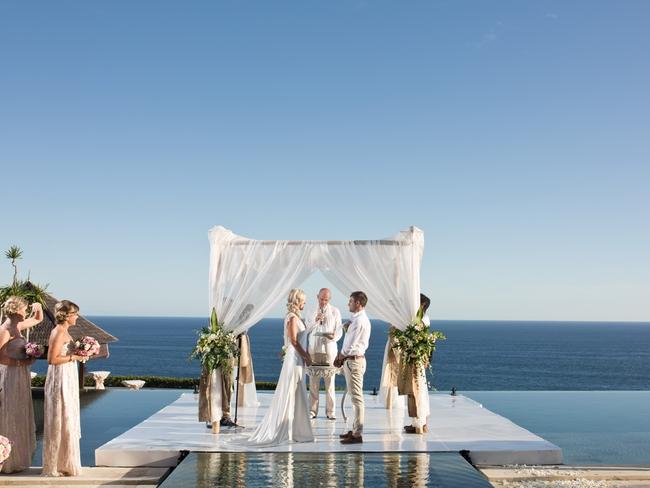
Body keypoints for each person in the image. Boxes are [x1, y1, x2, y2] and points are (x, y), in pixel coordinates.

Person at [244, 289, 314, 446]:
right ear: (297, 301)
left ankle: (296, 430)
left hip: (298, 359)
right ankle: (287, 430)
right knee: (291, 392)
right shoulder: (292, 318)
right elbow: (294, 341)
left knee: (297, 392)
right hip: (295, 358)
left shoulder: (296, 317)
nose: (305, 303)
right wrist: (306, 356)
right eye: (303, 300)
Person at [42, 300, 86, 477]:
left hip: (68, 376)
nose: (77, 317)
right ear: (67, 316)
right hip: (60, 378)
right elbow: (51, 360)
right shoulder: (58, 332)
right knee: (60, 417)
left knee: (68, 417)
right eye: (75, 314)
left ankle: (66, 463)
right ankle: (56, 465)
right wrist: (74, 356)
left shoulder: (64, 331)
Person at [0, 296, 43, 473]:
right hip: (10, 375)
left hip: (21, 376)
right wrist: (22, 363)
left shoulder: (18, 326)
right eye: (25, 309)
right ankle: (7, 461)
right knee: (10, 412)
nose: (26, 312)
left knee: (20, 412)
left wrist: (38, 306)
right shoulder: (5, 330)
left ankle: (17, 458)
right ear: (17, 311)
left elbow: (38, 318)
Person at [335, 291, 371, 444]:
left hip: (354, 361)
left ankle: (357, 434)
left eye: (350, 301)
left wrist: (339, 357)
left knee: (357, 398)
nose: (348, 304)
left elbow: (351, 344)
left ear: (358, 303)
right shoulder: (356, 320)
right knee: (354, 397)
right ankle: (355, 428)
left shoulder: (359, 321)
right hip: (354, 360)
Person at [306, 288, 342, 420]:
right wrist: (316, 320)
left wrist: (334, 337)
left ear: (329, 299)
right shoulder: (310, 310)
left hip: (329, 350)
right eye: (321, 299)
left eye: (326, 300)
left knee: (330, 383)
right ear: (317, 296)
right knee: (313, 382)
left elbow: (339, 330)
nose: (323, 302)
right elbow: (307, 329)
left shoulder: (335, 311)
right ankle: (312, 411)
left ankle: (331, 412)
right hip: (314, 350)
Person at [403, 293, 432, 434]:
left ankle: (420, 423)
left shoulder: (423, 320)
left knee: (417, 389)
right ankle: (419, 423)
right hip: (415, 357)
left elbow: (418, 334)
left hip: (417, 358)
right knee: (417, 390)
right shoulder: (420, 319)